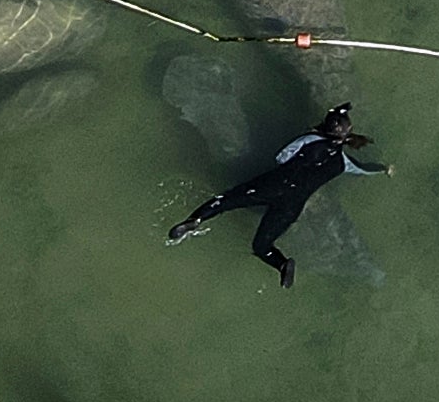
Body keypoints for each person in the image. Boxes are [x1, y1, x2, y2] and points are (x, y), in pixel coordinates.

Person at [164, 103, 387, 287]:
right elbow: (364, 169)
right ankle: (281, 264)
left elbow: (282, 156)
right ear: (348, 132)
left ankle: (195, 220)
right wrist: (385, 169)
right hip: (292, 204)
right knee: (261, 245)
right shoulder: (343, 163)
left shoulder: (310, 140)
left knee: (225, 201)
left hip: (272, 185)